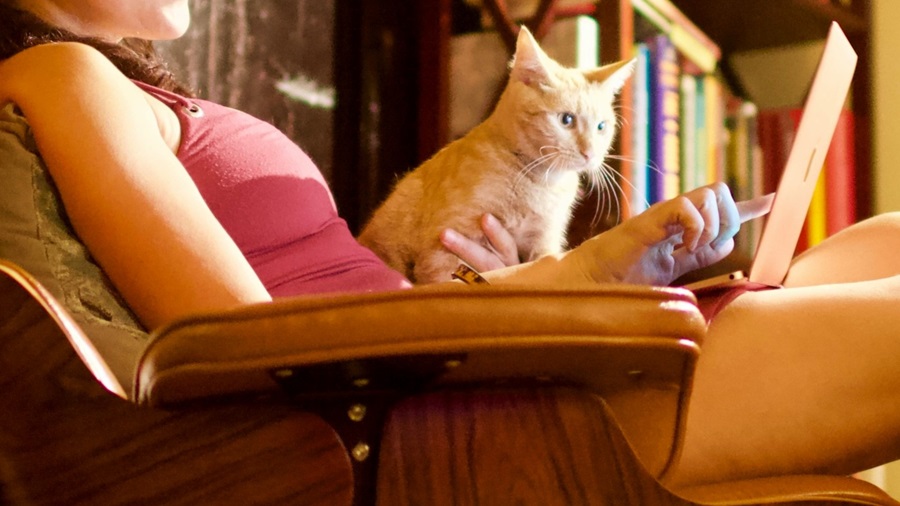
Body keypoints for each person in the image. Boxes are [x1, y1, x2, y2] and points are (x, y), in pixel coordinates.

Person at [0, 0, 898, 491]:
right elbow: (235, 343)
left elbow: (334, 311)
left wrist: (578, 272)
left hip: (434, 363)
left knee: (887, 238)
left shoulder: (129, 91)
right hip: (433, 423)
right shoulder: (62, 70)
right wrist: (562, 300)